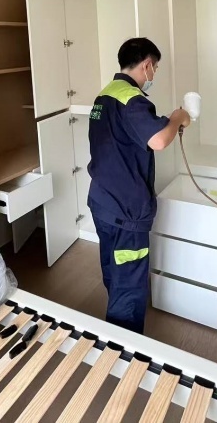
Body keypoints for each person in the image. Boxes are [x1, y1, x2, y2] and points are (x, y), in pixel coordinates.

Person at [86, 37, 191, 334]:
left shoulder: (105, 95)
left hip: (102, 202)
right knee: (129, 283)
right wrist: (177, 118)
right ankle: (123, 348)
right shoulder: (133, 99)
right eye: (154, 67)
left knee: (113, 269)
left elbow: (125, 135)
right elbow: (158, 140)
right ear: (146, 65)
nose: (153, 73)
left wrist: (164, 121)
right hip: (126, 211)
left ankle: (116, 323)